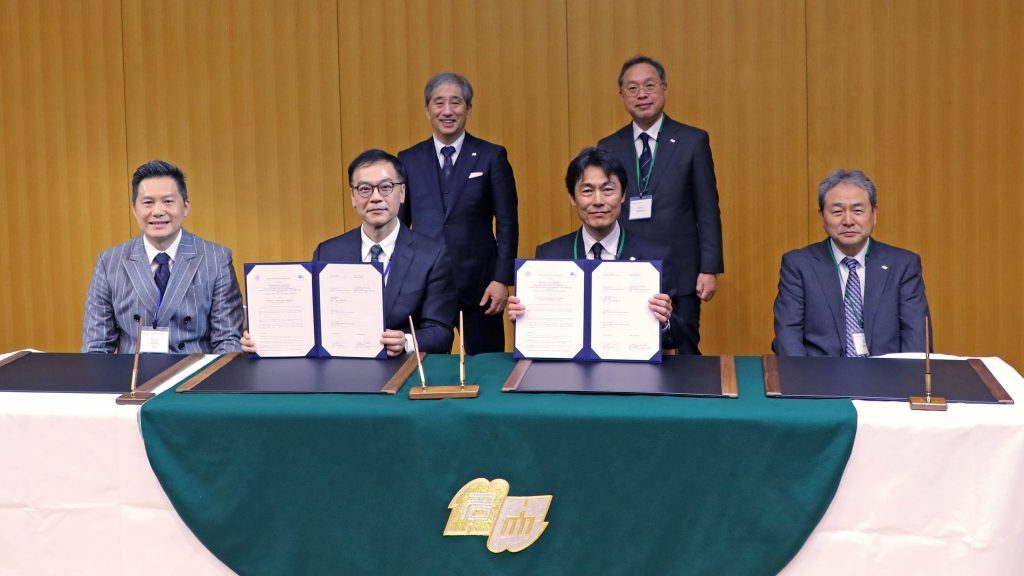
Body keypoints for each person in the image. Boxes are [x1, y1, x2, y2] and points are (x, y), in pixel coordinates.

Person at [243, 149, 457, 356]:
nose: (375, 198)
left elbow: (440, 332)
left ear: (401, 193)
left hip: (402, 370)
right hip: (341, 373)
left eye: (385, 187)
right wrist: (264, 338)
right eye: (364, 189)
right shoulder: (327, 253)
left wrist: (406, 341)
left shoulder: (432, 256)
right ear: (353, 197)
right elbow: (308, 321)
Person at [597, 55, 723, 354]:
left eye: (649, 86)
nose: (642, 94)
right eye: (633, 88)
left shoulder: (693, 141)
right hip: (624, 267)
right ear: (622, 95)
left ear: (664, 89)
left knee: (686, 350)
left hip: (682, 270)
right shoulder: (608, 146)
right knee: (626, 348)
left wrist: (709, 268)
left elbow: (707, 208)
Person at [398, 72, 519, 354]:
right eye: (439, 103)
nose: (448, 111)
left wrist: (501, 280)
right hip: (425, 284)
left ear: (468, 108)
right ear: (428, 110)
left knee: (485, 367)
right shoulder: (408, 159)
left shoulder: (492, 156)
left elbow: (507, 222)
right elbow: (400, 227)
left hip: (480, 285)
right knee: (425, 366)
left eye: (456, 102)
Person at [507, 148, 679, 346]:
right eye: (587, 191)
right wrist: (524, 317)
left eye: (608, 190)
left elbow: (678, 334)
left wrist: (665, 321)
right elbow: (542, 329)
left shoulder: (654, 256)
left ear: (623, 194)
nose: (598, 201)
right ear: (573, 197)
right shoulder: (550, 254)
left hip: (633, 371)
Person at [82, 160, 243, 354]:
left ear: (185, 206)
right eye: (148, 202)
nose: (158, 212)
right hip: (132, 380)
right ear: (134, 209)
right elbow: (97, 347)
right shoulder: (109, 263)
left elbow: (228, 341)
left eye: (168, 201)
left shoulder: (216, 259)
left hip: (197, 379)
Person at [772, 169, 930, 356]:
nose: (848, 221)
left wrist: (906, 381)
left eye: (857, 211)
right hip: (819, 378)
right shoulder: (799, 265)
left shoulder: (903, 265)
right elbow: (788, 334)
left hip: (887, 378)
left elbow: (916, 335)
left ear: (874, 213)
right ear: (822, 216)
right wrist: (804, 382)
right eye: (837, 211)